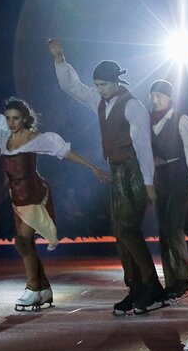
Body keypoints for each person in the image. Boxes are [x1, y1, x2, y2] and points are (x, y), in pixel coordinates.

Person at [0, 58, 111, 310]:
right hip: (17, 198)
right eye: (8, 117)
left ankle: (32, 287)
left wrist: (94, 168)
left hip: (35, 195)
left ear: (25, 119)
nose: (10, 122)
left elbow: (66, 152)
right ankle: (43, 289)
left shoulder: (38, 139)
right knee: (26, 243)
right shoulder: (2, 132)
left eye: (15, 118)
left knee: (22, 241)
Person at [47, 38, 166, 314]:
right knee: (120, 230)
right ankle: (136, 287)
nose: (99, 90)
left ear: (116, 82)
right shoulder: (100, 101)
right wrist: (59, 58)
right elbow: (71, 87)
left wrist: (148, 182)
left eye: (103, 85)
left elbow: (143, 145)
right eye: (97, 85)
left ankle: (153, 287)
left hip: (135, 172)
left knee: (127, 228)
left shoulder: (132, 105)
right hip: (117, 171)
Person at [147, 79, 188, 300]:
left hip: (179, 176)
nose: (155, 100)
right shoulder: (148, 120)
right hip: (160, 177)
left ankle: (183, 279)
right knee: (163, 230)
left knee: (174, 227)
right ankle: (171, 280)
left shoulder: (181, 120)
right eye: (152, 95)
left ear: (169, 97)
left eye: (160, 96)